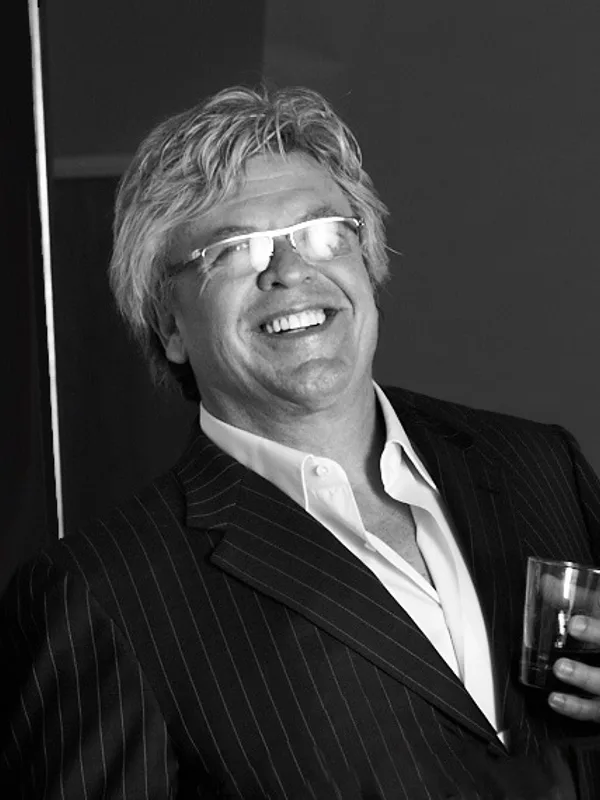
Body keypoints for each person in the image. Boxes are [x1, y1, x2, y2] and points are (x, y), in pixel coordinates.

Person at [2, 85, 600, 799]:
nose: (290, 270)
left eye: (322, 233)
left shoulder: (539, 464)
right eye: (235, 250)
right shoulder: (101, 596)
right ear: (169, 325)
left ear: (367, 264)